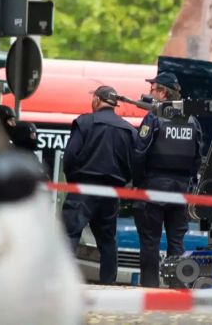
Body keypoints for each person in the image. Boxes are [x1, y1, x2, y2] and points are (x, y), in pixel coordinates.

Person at [61, 85, 138, 284]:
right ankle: (108, 283)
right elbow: (135, 163)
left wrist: (73, 180)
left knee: (69, 235)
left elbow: (69, 156)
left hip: (83, 187)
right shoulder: (128, 129)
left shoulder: (85, 122)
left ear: (97, 99)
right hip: (111, 191)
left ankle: (64, 282)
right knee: (107, 241)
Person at [133, 72, 203, 288]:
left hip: (154, 187)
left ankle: (150, 288)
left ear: (162, 92)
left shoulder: (154, 117)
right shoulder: (192, 120)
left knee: (150, 242)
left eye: (153, 88)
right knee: (176, 242)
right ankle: (177, 289)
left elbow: (139, 152)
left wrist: (139, 182)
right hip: (180, 190)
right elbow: (198, 158)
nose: (150, 92)